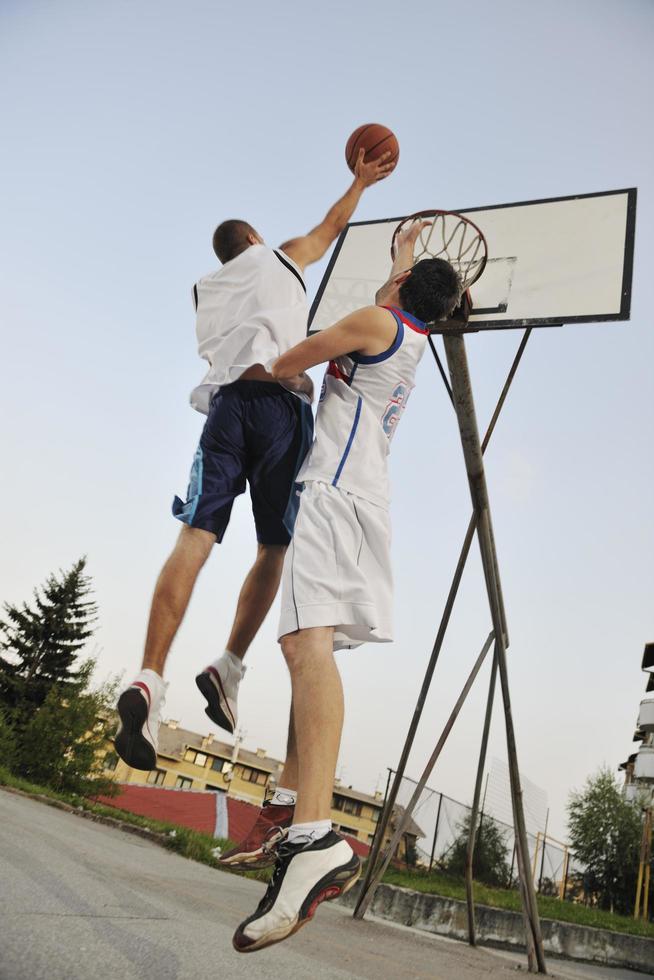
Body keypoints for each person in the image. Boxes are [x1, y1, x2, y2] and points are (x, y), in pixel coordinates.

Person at [114, 149, 394, 771]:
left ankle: (148, 678)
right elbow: (331, 228)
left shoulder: (205, 291)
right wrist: (360, 182)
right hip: (278, 404)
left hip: (225, 408)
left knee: (193, 537)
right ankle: (228, 665)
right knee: (274, 546)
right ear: (257, 240)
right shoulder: (276, 257)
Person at [231, 221, 462, 952]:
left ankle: (314, 833)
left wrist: (267, 365)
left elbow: (293, 358)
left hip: (332, 495)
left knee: (304, 645)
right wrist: (405, 249)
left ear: (399, 291)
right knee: (312, 646)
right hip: (362, 499)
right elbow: (386, 299)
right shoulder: (408, 335)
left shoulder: (372, 323)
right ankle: (292, 810)